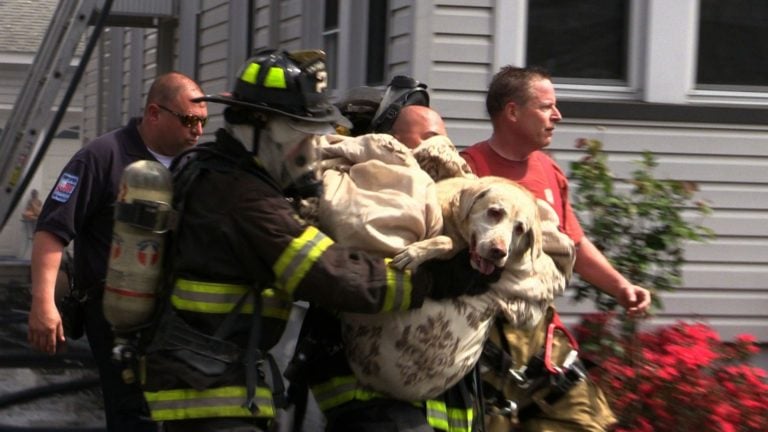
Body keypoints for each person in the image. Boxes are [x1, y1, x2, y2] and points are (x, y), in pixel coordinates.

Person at [139, 49, 495, 432]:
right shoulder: (243, 197)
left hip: (210, 377)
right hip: (207, 389)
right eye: (298, 134)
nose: (308, 150)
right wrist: (429, 281)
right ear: (260, 124)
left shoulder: (227, 176)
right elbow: (329, 273)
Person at [461, 65, 652, 431]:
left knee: (583, 422)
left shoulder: (549, 171)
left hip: (543, 334)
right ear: (513, 112)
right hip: (486, 338)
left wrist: (621, 287)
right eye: (546, 107)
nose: (557, 116)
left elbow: (574, 244)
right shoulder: (470, 171)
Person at [27, 71, 208, 432]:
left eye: (203, 122)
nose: (198, 131)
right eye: (189, 120)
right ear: (155, 113)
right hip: (117, 316)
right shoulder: (103, 156)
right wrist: (43, 303)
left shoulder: (196, 165)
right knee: (133, 416)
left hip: (178, 318)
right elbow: (52, 232)